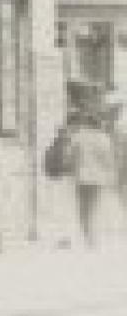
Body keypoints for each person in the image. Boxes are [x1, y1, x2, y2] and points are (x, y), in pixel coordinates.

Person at [47, 92, 116, 246]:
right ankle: (92, 238)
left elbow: (69, 157)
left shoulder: (79, 136)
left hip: (82, 177)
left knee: (82, 208)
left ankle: (87, 237)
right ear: (99, 124)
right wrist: (110, 177)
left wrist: (69, 167)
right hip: (99, 178)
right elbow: (109, 161)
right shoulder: (105, 139)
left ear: (87, 124)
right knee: (93, 207)